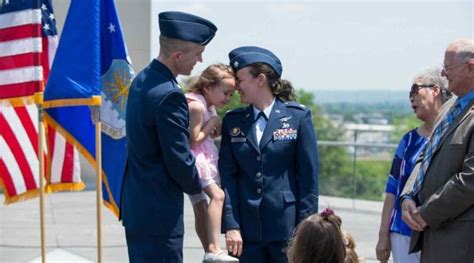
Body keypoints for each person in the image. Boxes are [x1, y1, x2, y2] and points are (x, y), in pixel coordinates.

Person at [120, 11, 217, 262]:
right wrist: (205, 188)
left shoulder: (142, 79)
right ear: (177, 55)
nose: (200, 60)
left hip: (138, 205)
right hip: (159, 211)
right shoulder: (169, 94)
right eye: (197, 53)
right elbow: (177, 157)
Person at [219, 46, 320, 262]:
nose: (236, 86)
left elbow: (308, 179)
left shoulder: (297, 117)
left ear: (261, 79)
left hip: (287, 229)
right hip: (245, 232)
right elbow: (228, 178)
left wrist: (306, 228)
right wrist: (231, 225)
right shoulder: (233, 121)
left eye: (240, 79)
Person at [401, 39, 474, 262]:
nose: (443, 73)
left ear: (471, 67)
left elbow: (470, 179)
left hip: (460, 242)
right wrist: (408, 195)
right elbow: (426, 155)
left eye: (448, 67)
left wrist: (426, 213)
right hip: (431, 237)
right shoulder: (450, 107)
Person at [375, 68, 452, 263]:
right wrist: (383, 235)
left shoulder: (455, 136)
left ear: (435, 90)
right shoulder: (408, 141)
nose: (411, 98)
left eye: (415, 90)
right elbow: (392, 190)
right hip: (402, 233)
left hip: (442, 233)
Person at [184, 64, 238, 262]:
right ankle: (214, 248)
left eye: (231, 94)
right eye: (225, 92)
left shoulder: (207, 105)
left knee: (200, 205)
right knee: (218, 196)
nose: (228, 98)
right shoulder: (196, 105)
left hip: (198, 158)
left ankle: (209, 250)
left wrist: (213, 129)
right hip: (197, 160)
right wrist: (212, 124)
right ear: (207, 87)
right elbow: (193, 140)